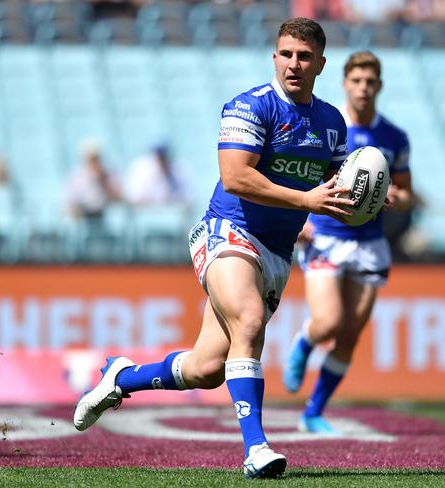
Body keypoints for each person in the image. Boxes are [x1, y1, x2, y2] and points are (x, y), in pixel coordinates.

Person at [73, 17, 354, 479]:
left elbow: (337, 186)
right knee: (249, 319)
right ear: (274, 57)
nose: (294, 64)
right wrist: (306, 200)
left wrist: (363, 201)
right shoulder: (251, 106)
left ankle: (120, 377)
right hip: (227, 230)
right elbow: (235, 177)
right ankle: (257, 449)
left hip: (277, 254)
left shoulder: (331, 122)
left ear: (321, 64)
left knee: (206, 370)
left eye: (304, 57)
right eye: (286, 54)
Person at [282, 51, 417, 434]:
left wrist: (392, 195)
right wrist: (299, 220)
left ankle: (313, 411)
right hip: (326, 236)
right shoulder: (328, 125)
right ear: (345, 83)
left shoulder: (394, 138)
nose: (363, 88)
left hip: (370, 244)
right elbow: (300, 178)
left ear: (379, 86)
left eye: (370, 81)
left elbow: (408, 194)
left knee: (349, 336)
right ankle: (305, 344)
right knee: (327, 322)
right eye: (356, 81)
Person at [65, 139, 121, 223]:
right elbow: (70, 202)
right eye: (92, 159)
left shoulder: (108, 173)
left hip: (106, 213)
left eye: (97, 158)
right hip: (85, 216)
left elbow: (118, 197)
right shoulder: (77, 176)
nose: (95, 162)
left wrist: (103, 181)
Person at [122, 143, 191, 207]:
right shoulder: (142, 170)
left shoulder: (177, 171)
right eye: (160, 156)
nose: (162, 160)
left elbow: (187, 200)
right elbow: (134, 199)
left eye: (164, 157)